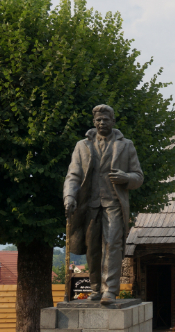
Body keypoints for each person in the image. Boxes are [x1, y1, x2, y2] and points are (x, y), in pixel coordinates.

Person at [64, 104, 143, 304]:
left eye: (105, 119)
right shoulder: (82, 146)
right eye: (98, 120)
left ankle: (110, 290)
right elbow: (73, 175)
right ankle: (96, 288)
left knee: (112, 244)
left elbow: (138, 176)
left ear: (113, 121)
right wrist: (69, 197)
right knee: (92, 248)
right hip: (89, 204)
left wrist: (126, 177)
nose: (101, 123)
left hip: (114, 203)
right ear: (94, 122)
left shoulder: (126, 145)